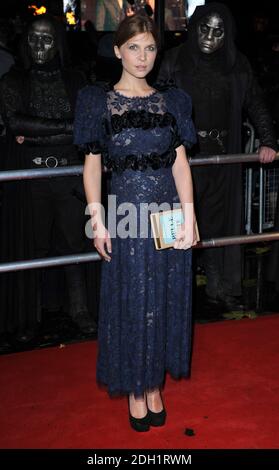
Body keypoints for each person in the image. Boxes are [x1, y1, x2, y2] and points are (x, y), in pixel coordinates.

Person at [74, 13, 197, 431]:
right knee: (130, 301)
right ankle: (135, 386)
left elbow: (180, 165)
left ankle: (154, 381)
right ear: (117, 51)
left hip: (166, 217)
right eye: (133, 47)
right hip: (126, 219)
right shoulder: (98, 102)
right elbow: (92, 169)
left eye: (149, 47)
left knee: (163, 298)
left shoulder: (172, 101)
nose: (142, 57)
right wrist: (97, 221)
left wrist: (190, 215)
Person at [157, 2, 277, 311]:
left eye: (218, 31)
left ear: (227, 35)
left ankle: (220, 286)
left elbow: (256, 102)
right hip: (182, 158)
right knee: (178, 223)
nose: (210, 37)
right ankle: (171, 292)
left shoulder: (237, 65)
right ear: (194, 28)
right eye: (204, 29)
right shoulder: (174, 60)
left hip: (223, 156)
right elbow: (155, 106)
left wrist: (269, 140)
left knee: (220, 224)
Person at [0, 14, 97, 339]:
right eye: (33, 38)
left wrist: (37, 131)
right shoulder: (14, 80)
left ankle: (79, 309)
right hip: (31, 177)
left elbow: (85, 126)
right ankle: (33, 315)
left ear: (58, 42)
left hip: (69, 175)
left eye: (47, 38)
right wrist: (66, 128)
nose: (40, 45)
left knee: (74, 244)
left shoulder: (75, 80)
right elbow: (15, 123)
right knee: (34, 246)